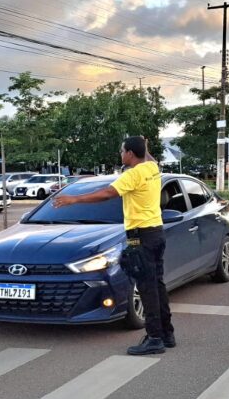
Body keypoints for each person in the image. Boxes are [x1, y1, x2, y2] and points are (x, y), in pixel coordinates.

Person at [53, 135, 171, 356]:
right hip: (156, 233)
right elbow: (149, 157)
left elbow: (107, 193)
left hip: (141, 236)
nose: (121, 154)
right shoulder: (151, 168)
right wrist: (144, 145)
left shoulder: (133, 174)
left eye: (122, 150)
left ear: (130, 153)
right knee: (157, 284)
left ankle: (155, 338)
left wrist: (74, 199)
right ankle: (167, 333)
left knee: (147, 288)